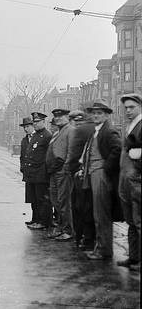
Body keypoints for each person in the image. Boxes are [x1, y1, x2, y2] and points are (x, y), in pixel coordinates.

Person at [82, 99, 122, 260]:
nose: (96, 116)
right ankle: (101, 247)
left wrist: (106, 168)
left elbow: (118, 148)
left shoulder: (109, 131)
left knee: (102, 214)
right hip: (93, 174)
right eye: (94, 113)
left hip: (101, 175)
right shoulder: (96, 130)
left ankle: (104, 249)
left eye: (100, 113)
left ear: (106, 115)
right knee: (97, 212)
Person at [117, 93, 141, 272]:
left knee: (139, 221)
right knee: (131, 221)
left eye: (131, 107)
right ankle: (134, 257)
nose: (128, 111)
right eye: (126, 108)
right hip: (126, 180)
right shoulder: (130, 126)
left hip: (137, 181)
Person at [67, 109, 96, 250]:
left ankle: (82, 238)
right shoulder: (93, 130)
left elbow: (73, 154)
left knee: (80, 207)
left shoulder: (80, 132)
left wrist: (70, 168)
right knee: (85, 207)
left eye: (78, 122)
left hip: (80, 174)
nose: (77, 125)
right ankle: (84, 238)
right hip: (86, 173)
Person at [45, 108, 75, 242]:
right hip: (54, 172)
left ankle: (68, 230)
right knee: (56, 200)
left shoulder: (70, 131)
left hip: (63, 172)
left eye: (61, 116)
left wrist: (66, 167)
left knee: (64, 202)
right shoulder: (58, 132)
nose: (58, 119)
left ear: (67, 117)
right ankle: (61, 228)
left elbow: (72, 151)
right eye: (56, 117)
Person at [24, 112, 53, 230]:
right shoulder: (35, 135)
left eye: (37, 122)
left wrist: (45, 172)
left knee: (43, 199)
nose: (35, 124)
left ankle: (44, 222)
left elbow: (48, 155)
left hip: (41, 173)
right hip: (33, 173)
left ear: (43, 122)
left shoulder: (46, 136)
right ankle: (37, 219)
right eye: (34, 122)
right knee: (35, 199)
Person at [18, 117, 37, 225]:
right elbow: (22, 156)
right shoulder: (24, 140)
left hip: (37, 172)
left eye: (28, 127)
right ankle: (34, 218)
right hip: (28, 172)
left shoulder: (38, 137)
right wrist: (22, 167)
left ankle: (40, 219)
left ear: (33, 126)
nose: (26, 129)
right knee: (31, 197)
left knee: (39, 198)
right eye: (24, 127)